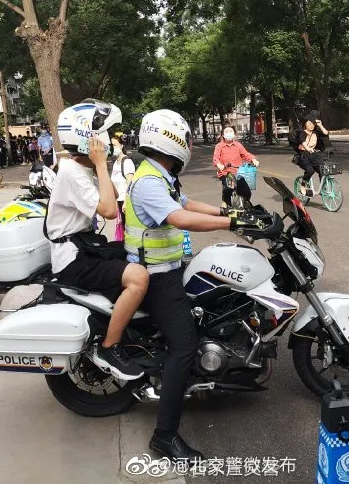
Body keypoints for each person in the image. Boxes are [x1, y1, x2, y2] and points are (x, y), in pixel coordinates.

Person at [124, 109, 262, 463]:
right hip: (156, 276)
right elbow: (180, 217)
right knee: (184, 347)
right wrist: (231, 223)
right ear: (170, 140)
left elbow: (186, 203)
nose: (187, 145)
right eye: (184, 139)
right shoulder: (149, 181)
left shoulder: (160, 175)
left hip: (167, 267)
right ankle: (164, 437)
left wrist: (229, 212)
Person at [47, 100, 148, 380]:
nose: (109, 140)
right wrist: (102, 164)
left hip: (84, 247)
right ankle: (109, 347)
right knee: (138, 277)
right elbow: (110, 210)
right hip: (72, 260)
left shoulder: (80, 168)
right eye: (105, 133)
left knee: (137, 251)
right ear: (87, 136)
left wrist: (100, 165)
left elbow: (112, 193)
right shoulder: (70, 171)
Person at [213, 124, 259, 207]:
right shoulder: (219, 146)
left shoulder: (238, 145)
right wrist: (219, 164)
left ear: (234, 134)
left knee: (246, 191)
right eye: (226, 131)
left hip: (238, 173)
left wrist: (253, 159)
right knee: (228, 188)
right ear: (223, 134)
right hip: (225, 173)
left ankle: (246, 202)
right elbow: (216, 157)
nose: (229, 133)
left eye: (231, 131)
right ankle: (225, 203)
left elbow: (246, 154)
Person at [292, 110, 329, 196]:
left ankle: (323, 188)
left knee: (322, 170)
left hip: (314, 155)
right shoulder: (302, 132)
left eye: (313, 124)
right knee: (310, 170)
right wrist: (308, 149)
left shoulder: (315, 133)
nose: (311, 125)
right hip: (303, 156)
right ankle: (303, 185)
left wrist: (320, 125)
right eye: (309, 123)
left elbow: (326, 133)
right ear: (305, 124)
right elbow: (303, 142)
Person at [110, 133, 136, 241]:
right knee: (123, 227)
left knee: (128, 229)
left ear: (121, 146)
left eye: (115, 145)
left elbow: (130, 183)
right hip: (119, 201)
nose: (113, 148)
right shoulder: (115, 163)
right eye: (111, 146)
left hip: (126, 202)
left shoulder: (127, 162)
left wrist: (126, 202)